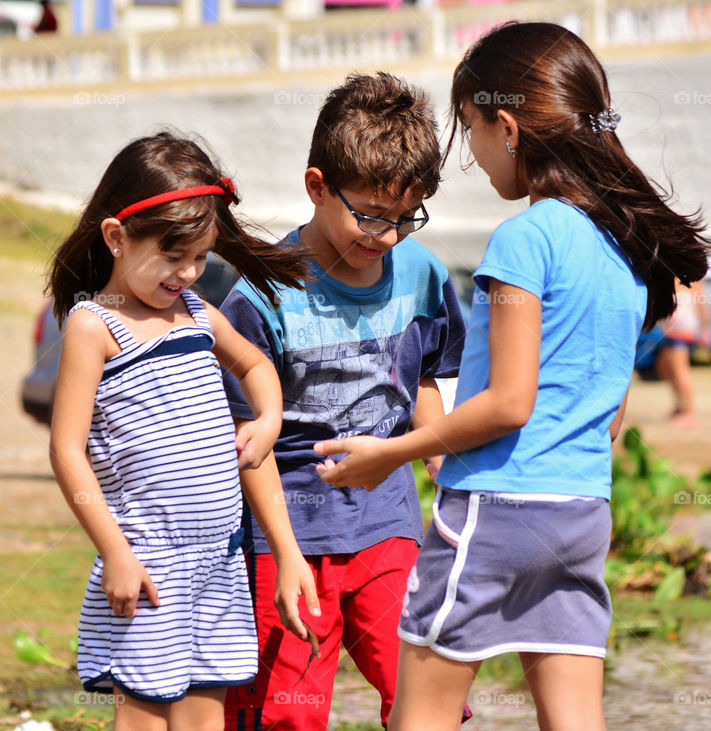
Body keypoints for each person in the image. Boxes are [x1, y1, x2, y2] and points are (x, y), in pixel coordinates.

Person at [314, 22, 711, 731]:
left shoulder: (525, 240)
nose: (472, 157)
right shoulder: (623, 248)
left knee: (422, 718)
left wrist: (392, 453)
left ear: (508, 126)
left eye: (469, 131)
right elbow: (609, 412)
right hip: (582, 511)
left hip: (495, 509)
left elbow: (508, 402)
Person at [47, 132, 321, 731]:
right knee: (143, 715)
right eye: (173, 256)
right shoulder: (95, 327)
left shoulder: (198, 314)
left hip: (217, 563)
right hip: (147, 563)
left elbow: (255, 364)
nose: (189, 272)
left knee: (205, 717)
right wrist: (114, 552)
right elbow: (67, 451)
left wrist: (268, 420)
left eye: (200, 257)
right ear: (117, 238)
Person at [220, 72, 466, 730]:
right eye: (369, 215)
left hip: (389, 526)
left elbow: (426, 381)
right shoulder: (261, 297)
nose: (386, 236)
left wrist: (436, 453)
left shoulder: (423, 276)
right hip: (291, 534)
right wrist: (286, 555)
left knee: (423, 691)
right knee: (287, 712)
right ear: (317, 186)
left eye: (405, 218)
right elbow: (250, 443)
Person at [656, 277, 711, 428]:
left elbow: (700, 298)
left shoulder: (690, 272)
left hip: (681, 326)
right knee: (665, 367)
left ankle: (690, 413)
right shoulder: (672, 266)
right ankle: (680, 407)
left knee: (680, 370)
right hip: (672, 326)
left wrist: (706, 329)